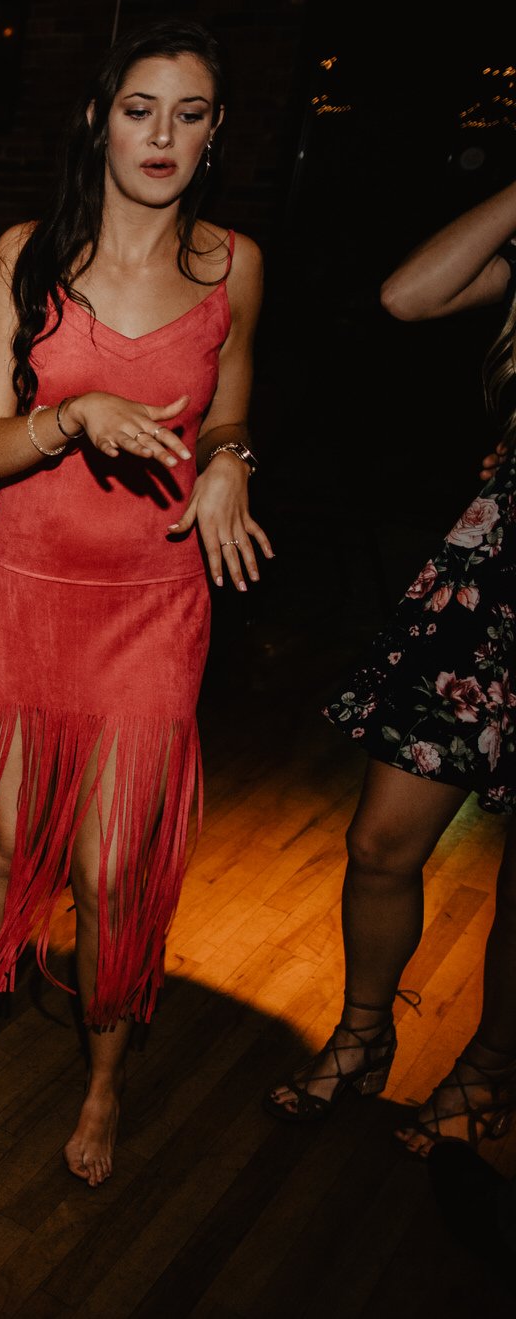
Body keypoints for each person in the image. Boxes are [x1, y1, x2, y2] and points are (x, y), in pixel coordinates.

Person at [0, 20, 268, 1188]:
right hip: (22, 587)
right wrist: (73, 415)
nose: (161, 136)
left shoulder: (231, 264)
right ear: (98, 118)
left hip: (152, 596)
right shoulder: (24, 255)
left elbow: (228, 412)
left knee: (105, 869)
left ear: (213, 134)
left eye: (188, 115)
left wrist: (232, 457)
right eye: (140, 108)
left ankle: (100, 1083)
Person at [269, 178, 516, 1153]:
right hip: (492, 574)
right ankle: (362, 1036)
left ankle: (487, 1069)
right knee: (378, 843)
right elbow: (406, 295)